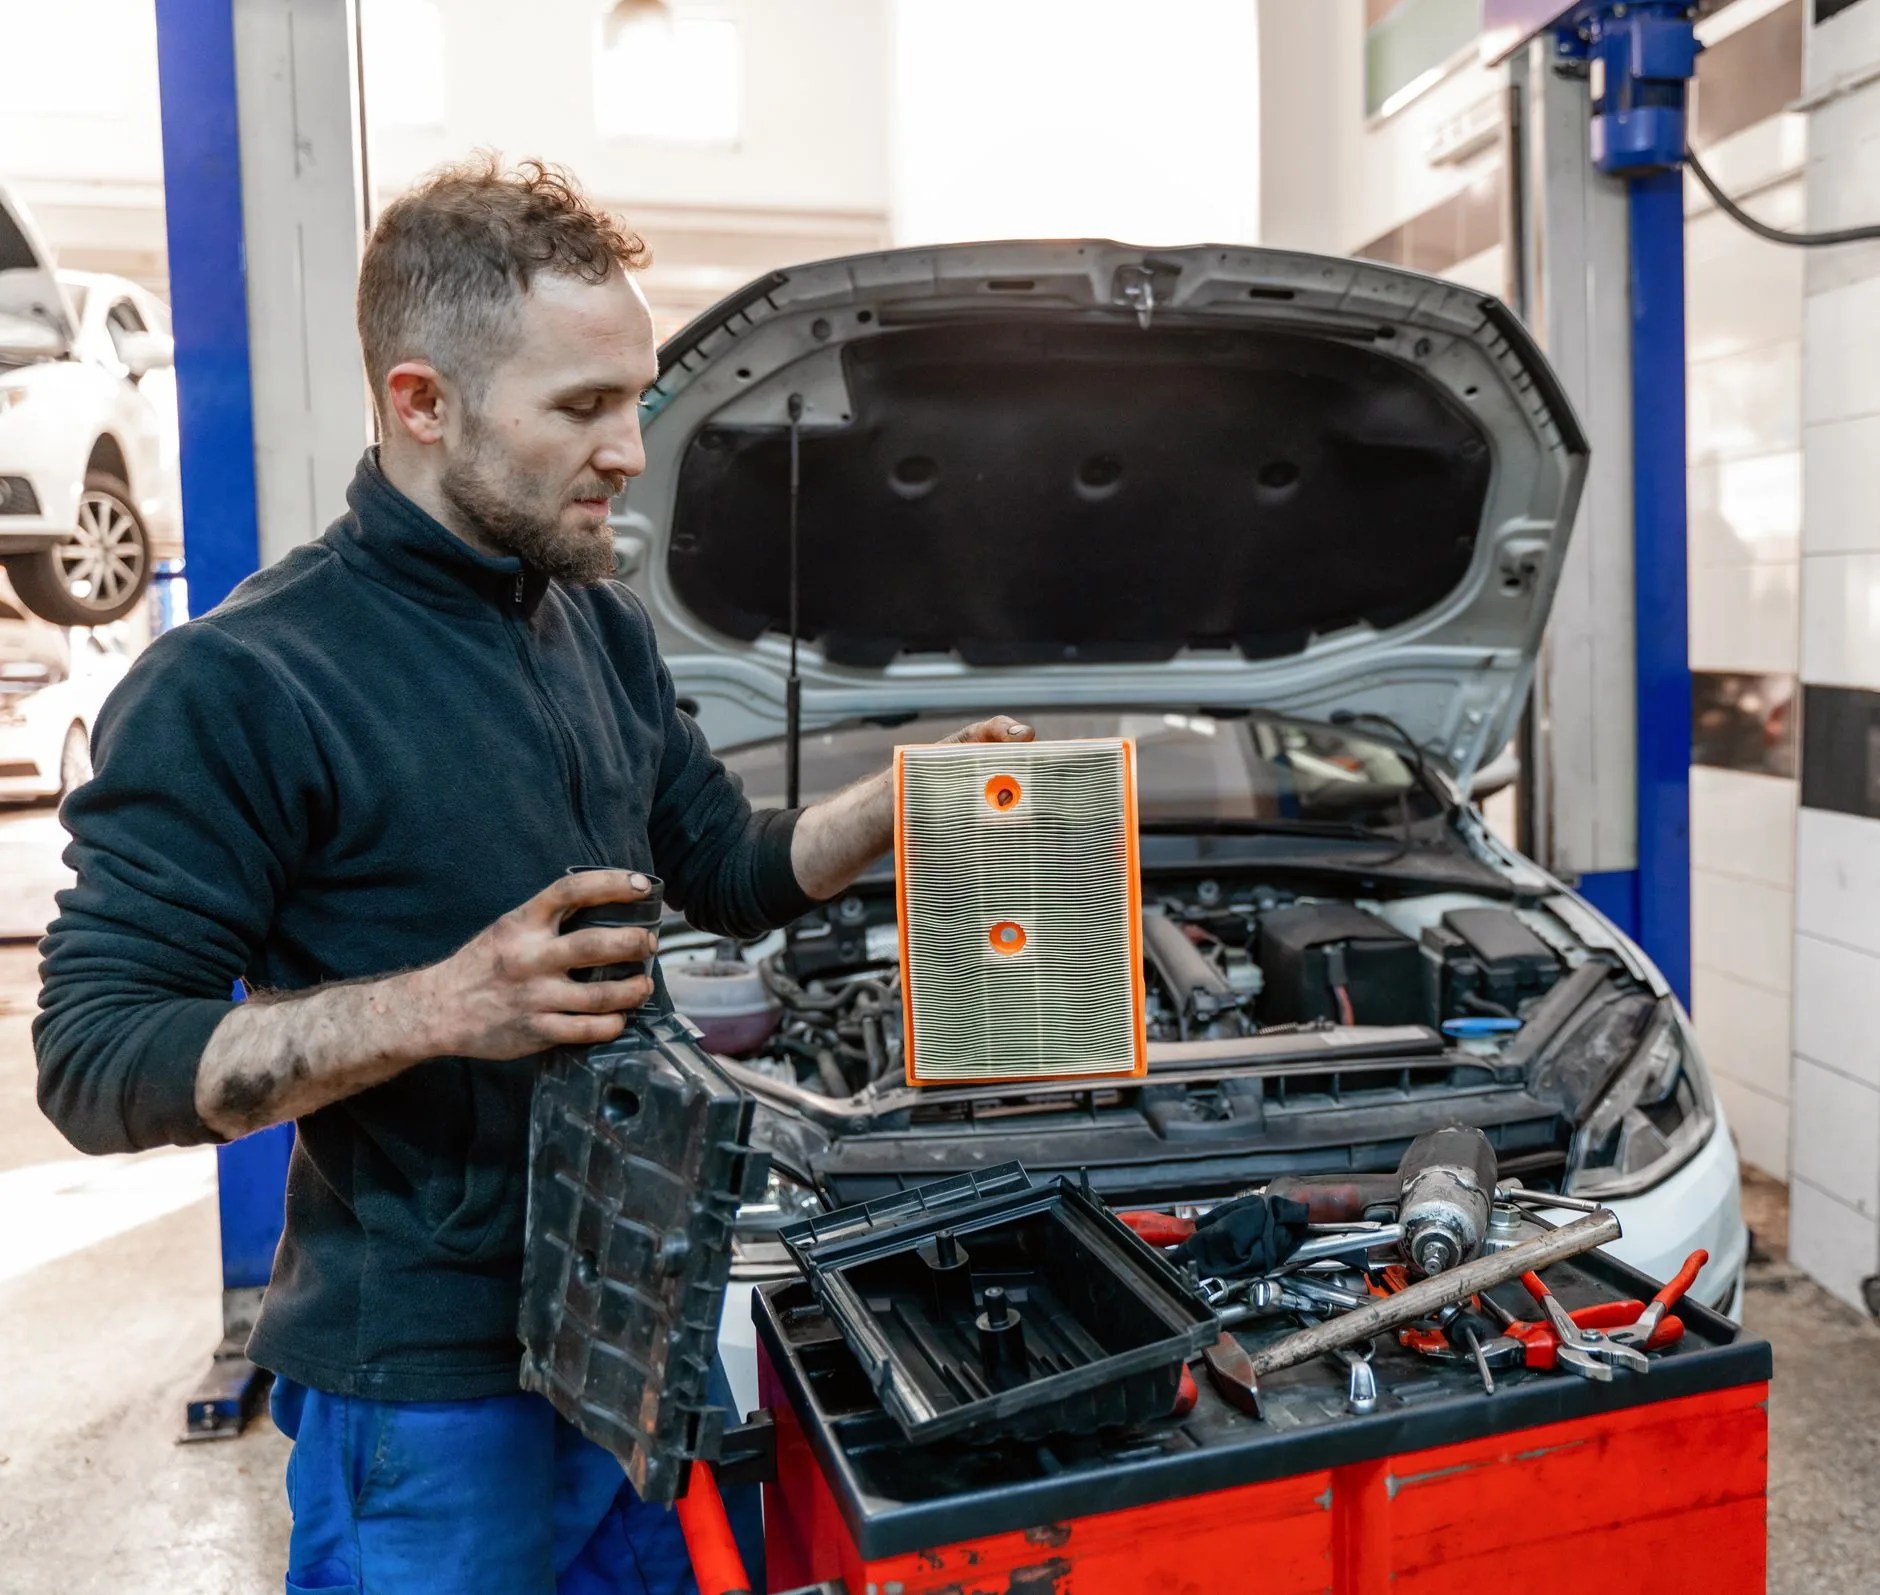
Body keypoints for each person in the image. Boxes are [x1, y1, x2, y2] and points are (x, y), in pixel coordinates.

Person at [34, 156, 1032, 1594]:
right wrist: (441, 1007)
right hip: (430, 1400)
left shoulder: (596, 628)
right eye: (580, 409)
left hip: (630, 1335)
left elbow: (728, 868)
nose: (628, 451)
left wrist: (892, 810)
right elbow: (93, 1057)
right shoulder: (242, 683)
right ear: (421, 404)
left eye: (632, 400)